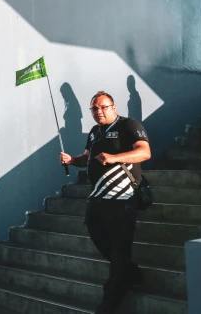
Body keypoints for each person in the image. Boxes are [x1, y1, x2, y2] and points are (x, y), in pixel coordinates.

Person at [59, 91, 151, 314]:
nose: (99, 111)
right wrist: (72, 160)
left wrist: (114, 157)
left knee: (119, 254)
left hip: (122, 199)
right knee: (100, 239)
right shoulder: (94, 132)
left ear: (114, 107)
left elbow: (144, 152)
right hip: (98, 200)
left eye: (103, 107)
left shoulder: (129, 125)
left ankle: (109, 301)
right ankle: (132, 274)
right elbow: (87, 157)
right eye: (94, 108)